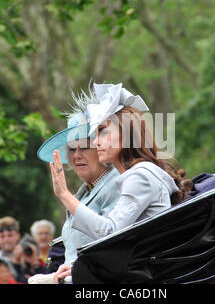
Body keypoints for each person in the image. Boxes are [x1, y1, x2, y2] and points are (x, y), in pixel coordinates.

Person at [48, 83, 191, 283]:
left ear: (126, 134)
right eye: (96, 134)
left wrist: (64, 194)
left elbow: (109, 232)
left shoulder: (140, 175)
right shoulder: (138, 174)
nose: (97, 141)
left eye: (104, 132)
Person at [29, 88, 122, 284]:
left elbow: (110, 241)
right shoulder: (84, 193)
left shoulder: (116, 183)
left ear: (101, 147)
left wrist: (64, 194)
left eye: (84, 147)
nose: (76, 155)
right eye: (72, 148)